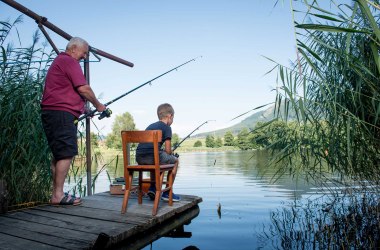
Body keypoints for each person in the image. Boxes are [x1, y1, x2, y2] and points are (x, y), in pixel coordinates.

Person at [41, 37, 106, 205]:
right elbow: (84, 88)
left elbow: (65, 92)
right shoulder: (69, 61)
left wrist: (84, 109)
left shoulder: (61, 61)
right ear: (74, 49)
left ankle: (56, 193)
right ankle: (58, 195)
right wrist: (98, 105)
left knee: (59, 154)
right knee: (66, 153)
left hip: (54, 113)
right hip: (61, 114)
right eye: (84, 53)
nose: (85, 57)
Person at [136, 103, 181, 201]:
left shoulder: (150, 126)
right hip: (153, 157)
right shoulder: (167, 128)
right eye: (173, 118)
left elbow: (148, 146)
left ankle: (153, 188)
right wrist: (170, 152)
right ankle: (167, 192)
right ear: (170, 116)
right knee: (175, 161)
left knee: (157, 158)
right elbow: (168, 151)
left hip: (139, 157)